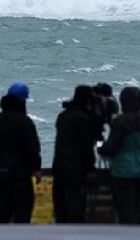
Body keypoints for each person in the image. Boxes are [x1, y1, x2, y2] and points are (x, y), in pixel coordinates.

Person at [0, 82, 42, 223]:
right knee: (22, 215)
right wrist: (36, 168)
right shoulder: (25, 122)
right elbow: (33, 148)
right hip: (20, 177)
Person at [97, 86, 140, 225]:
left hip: (121, 172)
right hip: (139, 171)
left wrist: (100, 148)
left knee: (125, 210)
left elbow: (111, 148)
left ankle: (129, 233)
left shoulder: (121, 122)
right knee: (136, 206)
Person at [52, 84, 98, 223]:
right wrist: (90, 168)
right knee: (75, 207)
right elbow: (86, 146)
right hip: (76, 169)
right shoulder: (83, 119)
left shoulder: (62, 116)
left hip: (59, 166)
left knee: (61, 206)